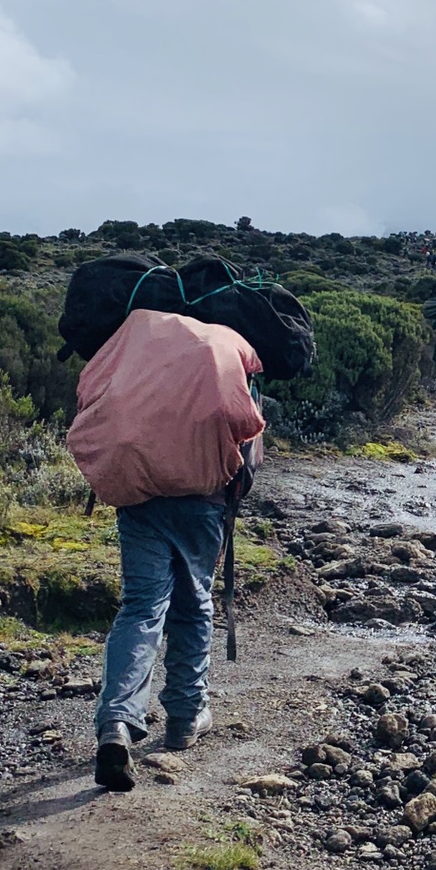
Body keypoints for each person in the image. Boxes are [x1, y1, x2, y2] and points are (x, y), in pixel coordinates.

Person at [67, 310, 265, 792]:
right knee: (194, 602)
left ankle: (116, 722)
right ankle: (183, 717)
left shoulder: (132, 335)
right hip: (202, 500)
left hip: (138, 494)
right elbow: (246, 421)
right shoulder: (226, 341)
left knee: (140, 606)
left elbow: (90, 394)